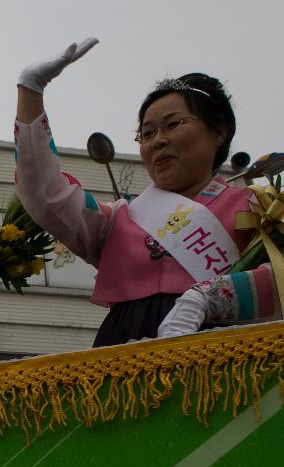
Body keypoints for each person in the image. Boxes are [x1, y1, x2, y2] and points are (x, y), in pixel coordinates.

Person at [14, 39, 277, 344]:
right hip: (123, 352)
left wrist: (208, 299)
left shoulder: (260, 206)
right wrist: (30, 91)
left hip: (221, 354)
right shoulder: (116, 220)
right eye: (148, 133)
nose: (158, 140)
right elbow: (45, 193)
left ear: (219, 131)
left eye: (173, 124)